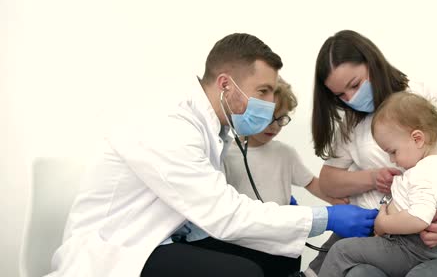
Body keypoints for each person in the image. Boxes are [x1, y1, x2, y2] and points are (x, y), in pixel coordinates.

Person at [45, 33, 379, 277]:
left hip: (169, 239)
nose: (267, 103)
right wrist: (323, 219)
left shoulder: (213, 130)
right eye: (262, 91)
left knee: (278, 258)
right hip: (121, 252)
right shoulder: (170, 127)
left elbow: (219, 212)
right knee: (241, 273)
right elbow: (223, 214)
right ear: (225, 85)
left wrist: (292, 222)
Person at [308, 30, 437, 277]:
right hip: (385, 243)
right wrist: (372, 178)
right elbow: (328, 182)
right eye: (340, 96)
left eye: (355, 85)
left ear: (373, 63)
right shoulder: (351, 123)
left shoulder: (430, 99)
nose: (350, 99)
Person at [319, 91, 437, 276]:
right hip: (406, 245)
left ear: (417, 138)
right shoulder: (431, 168)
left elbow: (419, 219)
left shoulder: (427, 173)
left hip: (410, 248)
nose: (391, 160)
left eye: (393, 151)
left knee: (341, 251)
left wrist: (384, 223)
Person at [223, 76, 349, 207]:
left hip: (282, 226)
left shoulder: (285, 153)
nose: (275, 126)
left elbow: (311, 183)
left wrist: (341, 203)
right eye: (267, 118)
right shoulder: (227, 156)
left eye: (281, 119)